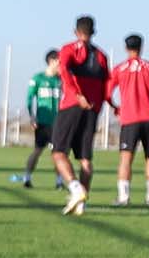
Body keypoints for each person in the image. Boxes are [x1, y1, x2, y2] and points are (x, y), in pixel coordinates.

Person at [50, 15, 110, 215]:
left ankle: (76, 190)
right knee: (85, 158)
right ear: (93, 32)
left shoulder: (68, 49)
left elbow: (64, 71)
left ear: (76, 31)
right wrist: (98, 108)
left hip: (71, 106)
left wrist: (77, 95)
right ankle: (81, 206)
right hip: (92, 110)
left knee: (58, 152)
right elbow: (106, 87)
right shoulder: (101, 56)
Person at [110, 32, 149, 206]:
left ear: (126, 48)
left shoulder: (119, 69)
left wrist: (115, 107)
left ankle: (124, 197)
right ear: (141, 47)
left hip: (130, 119)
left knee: (126, 159)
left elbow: (107, 93)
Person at [14, 50, 63, 186]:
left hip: (58, 122)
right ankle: (27, 178)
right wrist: (32, 116)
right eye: (59, 61)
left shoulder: (60, 80)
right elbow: (30, 98)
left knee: (58, 152)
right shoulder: (38, 79)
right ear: (52, 61)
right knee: (38, 150)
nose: (61, 64)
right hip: (42, 122)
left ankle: (59, 181)